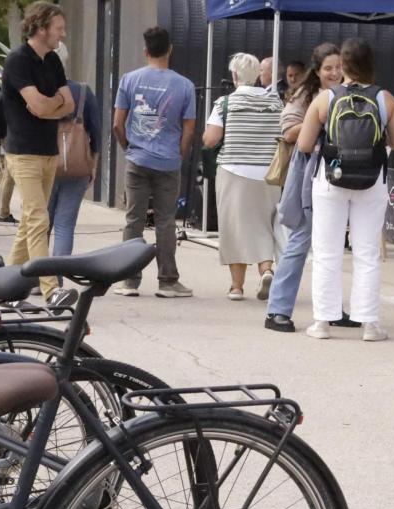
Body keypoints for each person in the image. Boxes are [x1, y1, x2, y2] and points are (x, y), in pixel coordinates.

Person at [296, 38, 394, 341]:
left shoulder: (326, 99)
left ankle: (322, 322)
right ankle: (369, 324)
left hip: (331, 179)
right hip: (372, 182)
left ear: (343, 66)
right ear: (371, 64)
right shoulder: (386, 99)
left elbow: (305, 144)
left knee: (326, 251)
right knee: (367, 252)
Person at [112, 25, 196, 297]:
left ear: (145, 51)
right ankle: (168, 281)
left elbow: (117, 124)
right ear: (169, 50)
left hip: (137, 158)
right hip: (168, 161)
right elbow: (190, 129)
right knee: (165, 220)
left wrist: (129, 148)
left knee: (133, 219)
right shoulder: (185, 85)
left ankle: (129, 280)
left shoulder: (129, 79)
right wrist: (179, 154)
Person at [264, 42, 339, 332]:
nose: (335, 73)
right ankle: (277, 310)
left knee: (331, 247)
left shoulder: (351, 93)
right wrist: (316, 119)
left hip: (342, 179)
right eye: (329, 68)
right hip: (310, 175)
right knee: (299, 241)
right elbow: (287, 132)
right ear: (318, 71)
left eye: (339, 67)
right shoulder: (307, 97)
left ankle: (331, 309)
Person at [1, 1, 73, 298]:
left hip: (49, 149)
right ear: (41, 28)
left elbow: (68, 105)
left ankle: (5, 283)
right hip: (24, 151)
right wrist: (51, 103)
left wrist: (49, 105)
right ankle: (49, 289)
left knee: (30, 223)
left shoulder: (53, 61)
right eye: (58, 29)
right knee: (39, 218)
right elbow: (41, 105)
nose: (63, 35)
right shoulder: (18, 61)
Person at [203, 52, 282, 302]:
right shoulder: (276, 102)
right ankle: (266, 270)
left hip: (234, 170)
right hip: (269, 173)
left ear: (235, 76)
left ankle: (237, 287)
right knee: (265, 225)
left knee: (234, 227)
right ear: (258, 75)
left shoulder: (225, 103)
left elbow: (211, 138)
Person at [48, 45, 101, 298]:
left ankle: (41, 279)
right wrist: (94, 165)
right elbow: (96, 132)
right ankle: (56, 279)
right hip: (77, 165)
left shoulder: (37, 92)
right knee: (64, 224)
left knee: (39, 224)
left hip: (44, 163)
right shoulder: (82, 92)